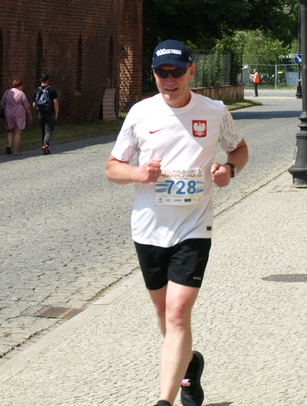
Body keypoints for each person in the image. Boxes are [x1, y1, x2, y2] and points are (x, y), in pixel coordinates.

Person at [105, 40, 249, 406]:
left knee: (177, 311)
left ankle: (164, 401)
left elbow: (239, 149)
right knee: (163, 313)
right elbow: (112, 168)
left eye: (176, 72)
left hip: (194, 227)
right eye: (161, 73)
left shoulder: (214, 111)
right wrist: (137, 173)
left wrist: (229, 169)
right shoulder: (141, 113)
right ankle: (189, 365)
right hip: (149, 228)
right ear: (153, 73)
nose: (169, 80)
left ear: (191, 71)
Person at [1, 79, 32, 155]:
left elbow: (2, 103)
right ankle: (16, 151)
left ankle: (9, 145)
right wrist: (30, 115)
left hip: (8, 113)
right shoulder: (21, 93)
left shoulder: (7, 92)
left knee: (10, 130)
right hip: (19, 114)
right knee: (17, 132)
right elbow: (27, 105)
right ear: (20, 85)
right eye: (22, 86)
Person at [33, 73, 60, 155]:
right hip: (50, 112)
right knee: (49, 130)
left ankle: (44, 146)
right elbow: (55, 102)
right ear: (48, 80)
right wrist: (56, 113)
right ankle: (45, 145)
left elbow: (34, 104)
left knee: (43, 130)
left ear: (40, 80)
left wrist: (38, 110)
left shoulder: (36, 90)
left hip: (40, 112)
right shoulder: (52, 90)